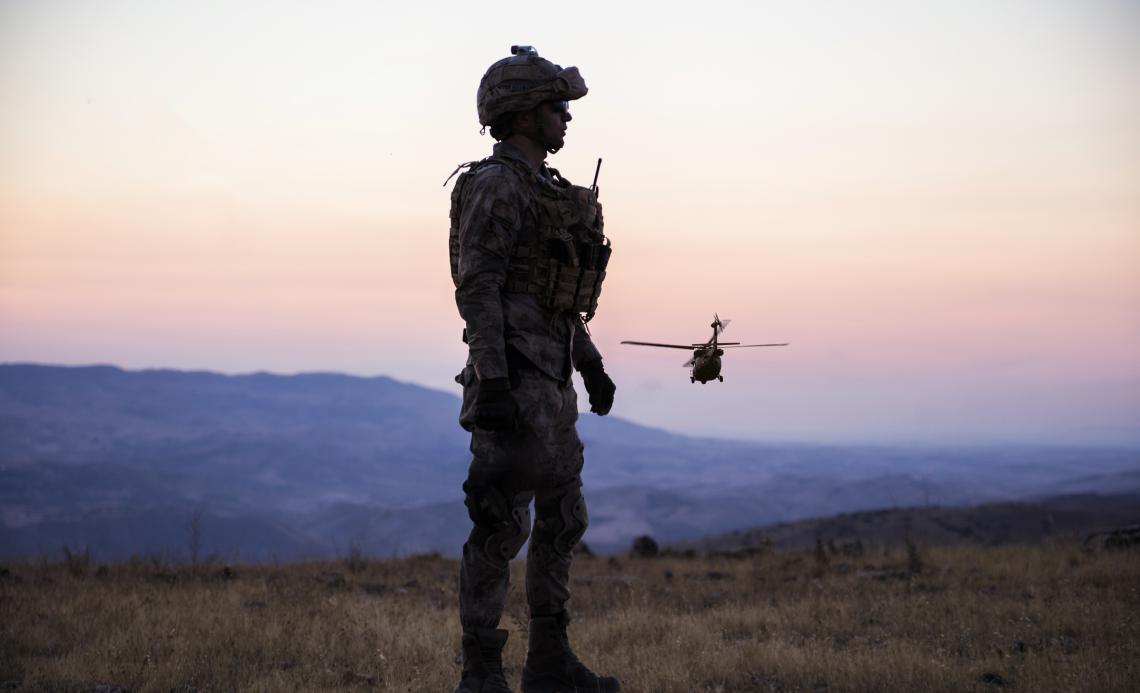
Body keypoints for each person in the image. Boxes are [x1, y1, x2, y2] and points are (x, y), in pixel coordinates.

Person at [447, 45, 620, 693]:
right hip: (512, 384)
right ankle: (482, 673)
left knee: (562, 513)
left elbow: (553, 300)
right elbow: (479, 287)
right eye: (556, 107)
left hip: (551, 383)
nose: (565, 119)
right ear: (523, 115)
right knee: (500, 523)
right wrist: (492, 380)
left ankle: (549, 662)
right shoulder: (493, 187)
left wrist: (590, 363)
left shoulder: (544, 192)